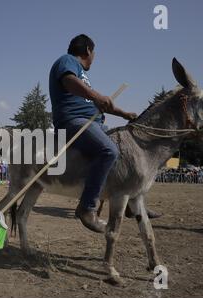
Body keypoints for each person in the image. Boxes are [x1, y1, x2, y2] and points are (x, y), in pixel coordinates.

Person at [49, 34, 137, 233]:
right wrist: (96, 95)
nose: (94, 56)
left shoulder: (83, 77)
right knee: (109, 151)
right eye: (94, 52)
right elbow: (69, 81)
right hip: (73, 122)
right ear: (88, 50)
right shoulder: (67, 61)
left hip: (95, 123)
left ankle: (132, 204)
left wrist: (124, 114)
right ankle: (87, 208)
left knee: (125, 151)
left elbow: (99, 103)